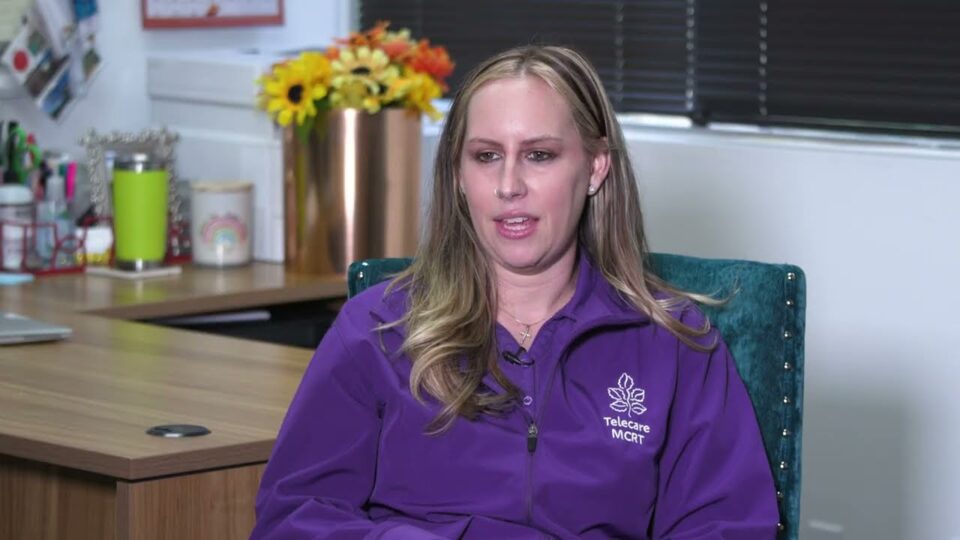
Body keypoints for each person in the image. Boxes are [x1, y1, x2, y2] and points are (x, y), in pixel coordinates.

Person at [252, 45, 778, 539]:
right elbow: (291, 515)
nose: (509, 185)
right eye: (485, 156)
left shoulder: (674, 342)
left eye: (540, 155)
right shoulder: (376, 329)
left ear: (595, 167)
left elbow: (728, 526)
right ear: (458, 175)